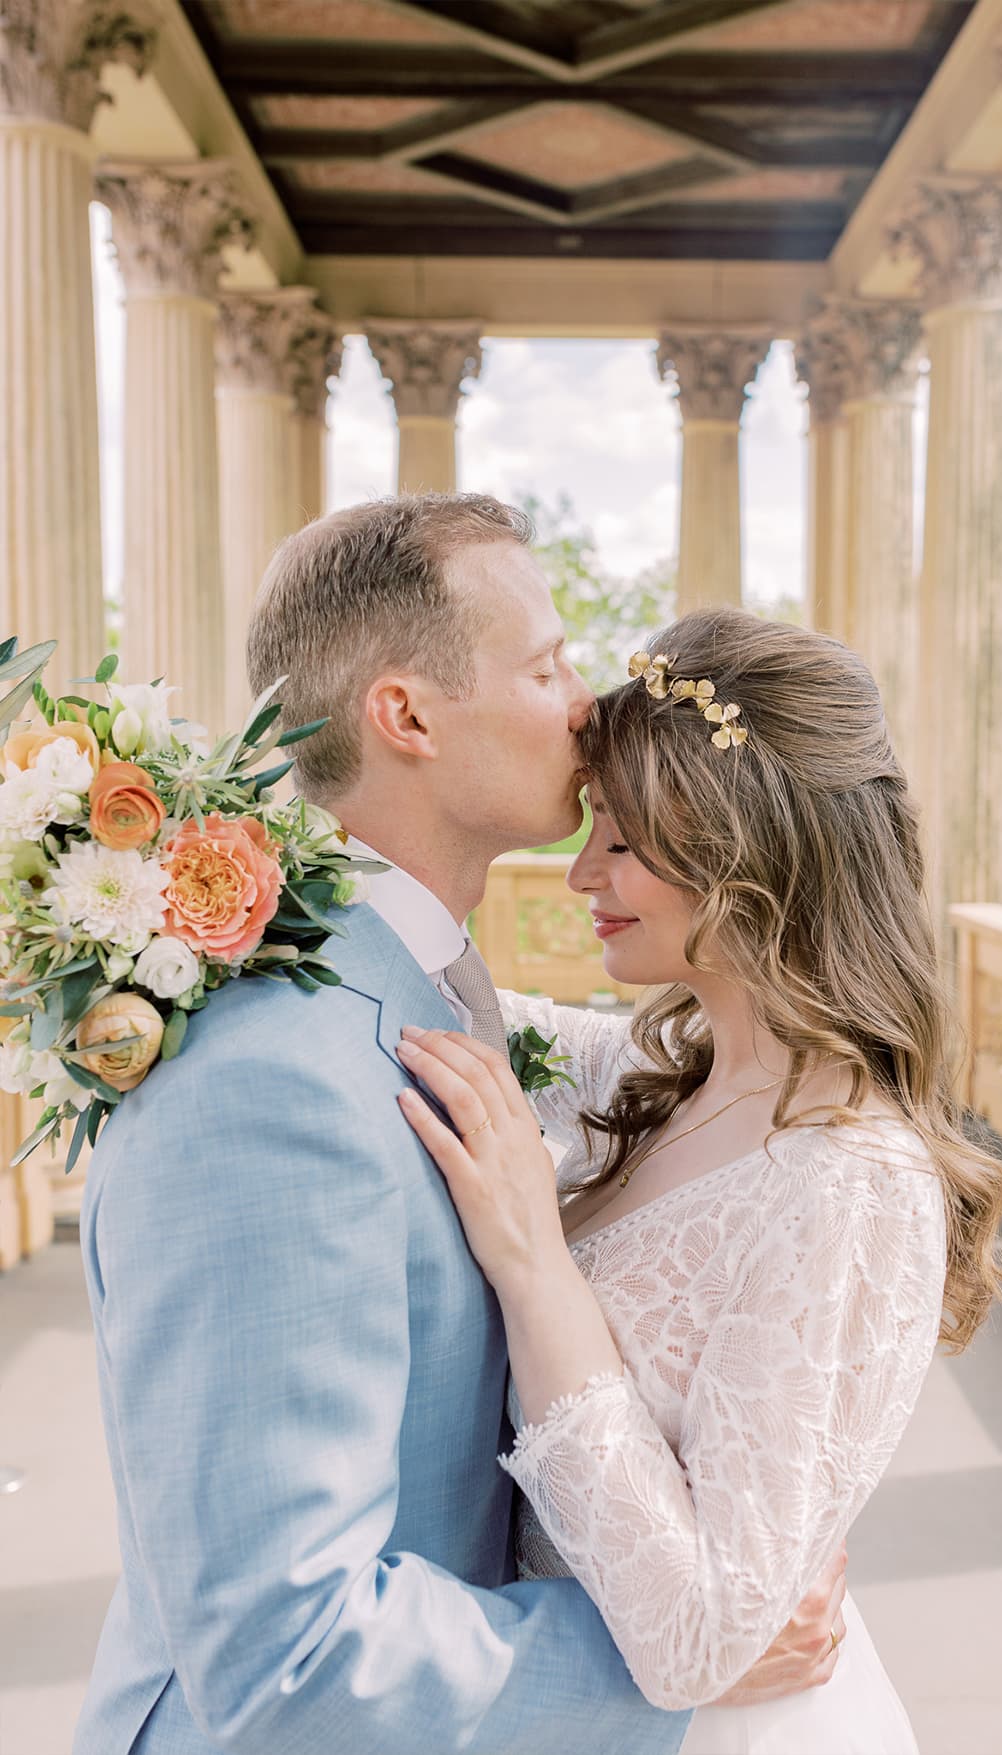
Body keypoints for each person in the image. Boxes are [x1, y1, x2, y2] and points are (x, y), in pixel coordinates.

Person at [75, 497, 843, 1755]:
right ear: (408, 716)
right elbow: (287, 1658)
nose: (589, 704)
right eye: (546, 666)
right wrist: (686, 1655)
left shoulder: (412, 996)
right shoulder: (274, 1081)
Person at [397, 607, 1002, 1754]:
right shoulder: (653, 1077)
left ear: (748, 854)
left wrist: (536, 1267)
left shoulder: (851, 1184)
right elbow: (426, 988)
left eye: (623, 841)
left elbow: (698, 1644)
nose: (581, 871)